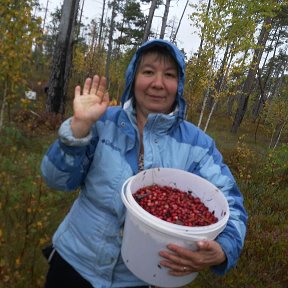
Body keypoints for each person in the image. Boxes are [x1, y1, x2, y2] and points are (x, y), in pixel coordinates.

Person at [41, 39, 247, 288]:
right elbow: (56, 180)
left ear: (178, 85)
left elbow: (231, 206)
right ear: (133, 78)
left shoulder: (197, 145)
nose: (158, 83)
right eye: (148, 71)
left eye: (169, 75)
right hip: (74, 263)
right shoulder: (103, 122)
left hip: (144, 276)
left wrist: (223, 249)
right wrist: (79, 128)